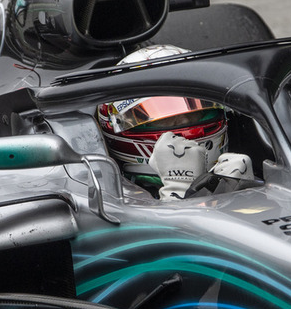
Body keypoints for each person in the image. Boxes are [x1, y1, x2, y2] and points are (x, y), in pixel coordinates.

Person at [97, 45, 255, 201]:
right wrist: (177, 195)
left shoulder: (237, 169)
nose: (185, 122)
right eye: (162, 117)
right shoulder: (102, 199)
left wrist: (249, 196)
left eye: (197, 111)